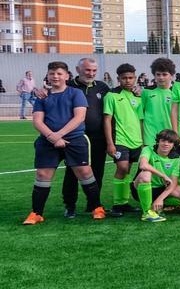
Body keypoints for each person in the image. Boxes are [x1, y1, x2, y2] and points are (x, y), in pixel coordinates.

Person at [23, 61, 106, 225]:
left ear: (67, 76)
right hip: (47, 141)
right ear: (47, 75)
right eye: (52, 73)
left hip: (74, 139)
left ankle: (97, 207)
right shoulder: (42, 96)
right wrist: (51, 136)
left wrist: (59, 135)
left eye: (59, 73)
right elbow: (37, 121)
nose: (55, 76)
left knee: (84, 172)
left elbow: (79, 117)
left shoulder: (76, 93)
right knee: (42, 175)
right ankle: (36, 213)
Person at [59, 57, 112, 218]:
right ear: (77, 70)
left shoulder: (103, 87)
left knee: (97, 171)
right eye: (87, 70)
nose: (91, 73)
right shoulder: (67, 86)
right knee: (72, 172)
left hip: (98, 138)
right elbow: (51, 95)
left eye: (94, 70)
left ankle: (93, 205)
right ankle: (70, 205)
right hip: (75, 137)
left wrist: (136, 90)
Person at [103, 63, 144, 217]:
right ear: (118, 79)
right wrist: (110, 143)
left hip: (137, 141)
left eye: (131, 78)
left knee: (128, 170)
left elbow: (141, 119)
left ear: (135, 78)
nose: (128, 80)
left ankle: (125, 202)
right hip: (120, 140)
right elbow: (107, 120)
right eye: (124, 78)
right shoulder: (112, 95)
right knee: (122, 168)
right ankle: (118, 204)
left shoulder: (138, 96)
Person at [134, 129, 180, 218]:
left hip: (161, 189)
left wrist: (160, 199)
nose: (166, 144)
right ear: (158, 141)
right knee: (146, 174)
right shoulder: (148, 149)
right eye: (163, 140)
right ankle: (147, 213)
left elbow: (173, 183)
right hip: (140, 187)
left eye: (170, 142)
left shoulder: (176, 157)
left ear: (173, 145)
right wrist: (163, 175)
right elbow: (143, 165)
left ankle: (158, 204)